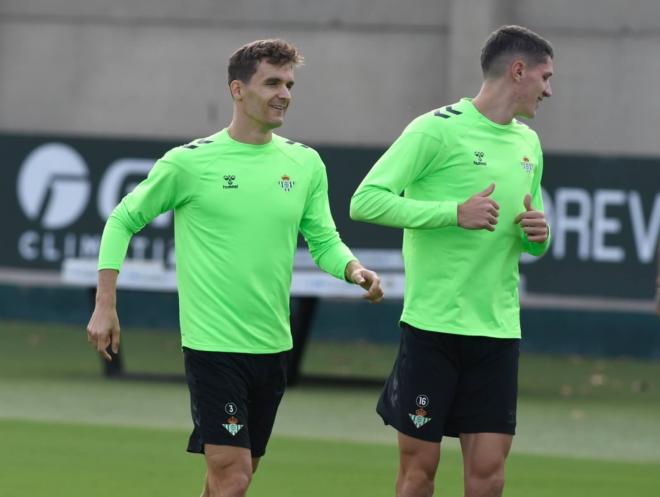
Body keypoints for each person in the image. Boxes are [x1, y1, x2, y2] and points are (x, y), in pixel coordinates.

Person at [86, 39, 384, 497]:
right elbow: (123, 219)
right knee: (234, 478)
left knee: (229, 479)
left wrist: (352, 269)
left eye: (288, 83)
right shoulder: (190, 163)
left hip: (271, 346)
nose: (284, 93)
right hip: (213, 346)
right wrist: (105, 304)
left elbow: (323, 240)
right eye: (272, 82)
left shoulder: (305, 164)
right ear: (238, 90)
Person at [350, 25, 553, 497]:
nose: (549, 89)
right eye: (545, 76)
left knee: (489, 477)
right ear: (518, 71)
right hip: (433, 329)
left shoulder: (529, 144)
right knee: (418, 474)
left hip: (497, 332)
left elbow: (533, 238)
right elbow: (365, 200)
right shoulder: (435, 129)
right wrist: (452, 214)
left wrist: (539, 236)